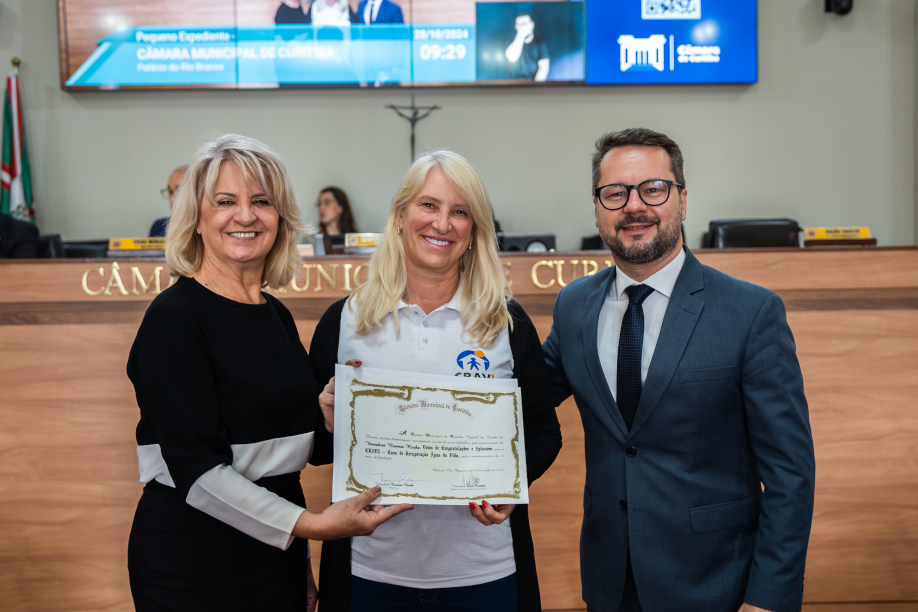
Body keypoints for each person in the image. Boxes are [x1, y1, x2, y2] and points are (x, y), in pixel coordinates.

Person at [126, 134, 411, 611]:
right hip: (193, 561)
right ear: (196, 218)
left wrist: (327, 415)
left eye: (261, 201)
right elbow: (199, 474)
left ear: (280, 219)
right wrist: (315, 528)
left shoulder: (273, 314)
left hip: (274, 557)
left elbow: (283, 455)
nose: (245, 215)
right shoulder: (174, 318)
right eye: (225, 201)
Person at [542, 127, 816, 612]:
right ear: (597, 207)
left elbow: (791, 475)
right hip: (610, 583)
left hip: (716, 585)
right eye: (615, 193)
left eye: (653, 188)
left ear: (682, 201)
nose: (634, 206)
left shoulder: (750, 312)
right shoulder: (573, 306)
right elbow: (523, 402)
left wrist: (769, 598)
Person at [312, 150, 562, 611]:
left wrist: (510, 487)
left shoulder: (506, 323)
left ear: (474, 231)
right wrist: (328, 422)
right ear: (400, 215)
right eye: (429, 205)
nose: (442, 224)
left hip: (484, 573)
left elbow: (545, 434)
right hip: (370, 573)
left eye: (460, 211)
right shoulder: (345, 321)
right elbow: (315, 450)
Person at [504, 14, 550, 82]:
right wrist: (520, 35)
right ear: (516, 27)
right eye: (520, 24)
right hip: (513, 85)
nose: (523, 27)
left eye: (525, 23)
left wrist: (534, 88)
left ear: (532, 25)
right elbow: (512, 58)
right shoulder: (510, 43)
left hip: (532, 84)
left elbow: (544, 68)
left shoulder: (540, 44)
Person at [149, 165, 187, 238]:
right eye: (170, 192)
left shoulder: (206, 227)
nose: (172, 199)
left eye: (179, 190)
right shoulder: (159, 228)